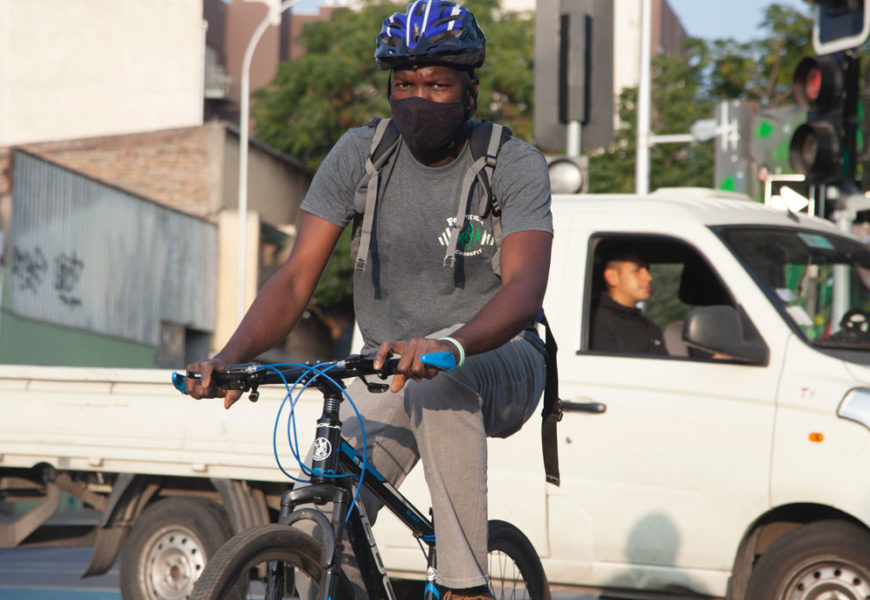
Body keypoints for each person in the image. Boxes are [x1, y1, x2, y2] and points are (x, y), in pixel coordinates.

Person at [185, 1, 553, 598]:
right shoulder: (361, 155)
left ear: (470, 91)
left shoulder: (511, 163)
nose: (419, 98)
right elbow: (296, 278)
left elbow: (524, 287)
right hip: (385, 363)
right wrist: (230, 359)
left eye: (438, 83)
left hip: (495, 357)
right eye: (404, 84)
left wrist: (450, 344)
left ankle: (465, 586)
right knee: (317, 516)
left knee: (438, 381)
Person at [589, 247, 667, 355]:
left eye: (647, 270)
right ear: (612, 277)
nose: (648, 277)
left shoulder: (649, 327)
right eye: (637, 270)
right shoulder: (596, 324)